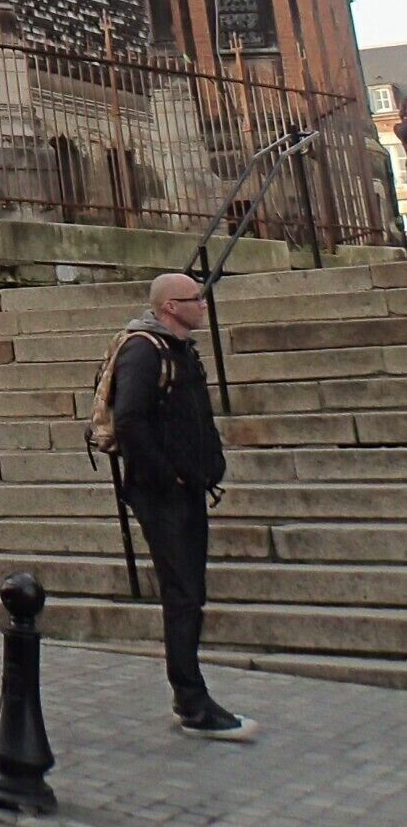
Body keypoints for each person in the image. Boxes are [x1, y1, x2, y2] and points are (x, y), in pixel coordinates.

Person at [112, 271, 256, 740]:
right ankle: (192, 700)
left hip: (187, 488)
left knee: (188, 592)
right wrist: (168, 475)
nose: (203, 304)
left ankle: (189, 694)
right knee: (183, 593)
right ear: (170, 306)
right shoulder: (142, 350)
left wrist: (207, 463)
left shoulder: (181, 351)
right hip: (163, 494)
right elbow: (130, 420)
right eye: (195, 298)